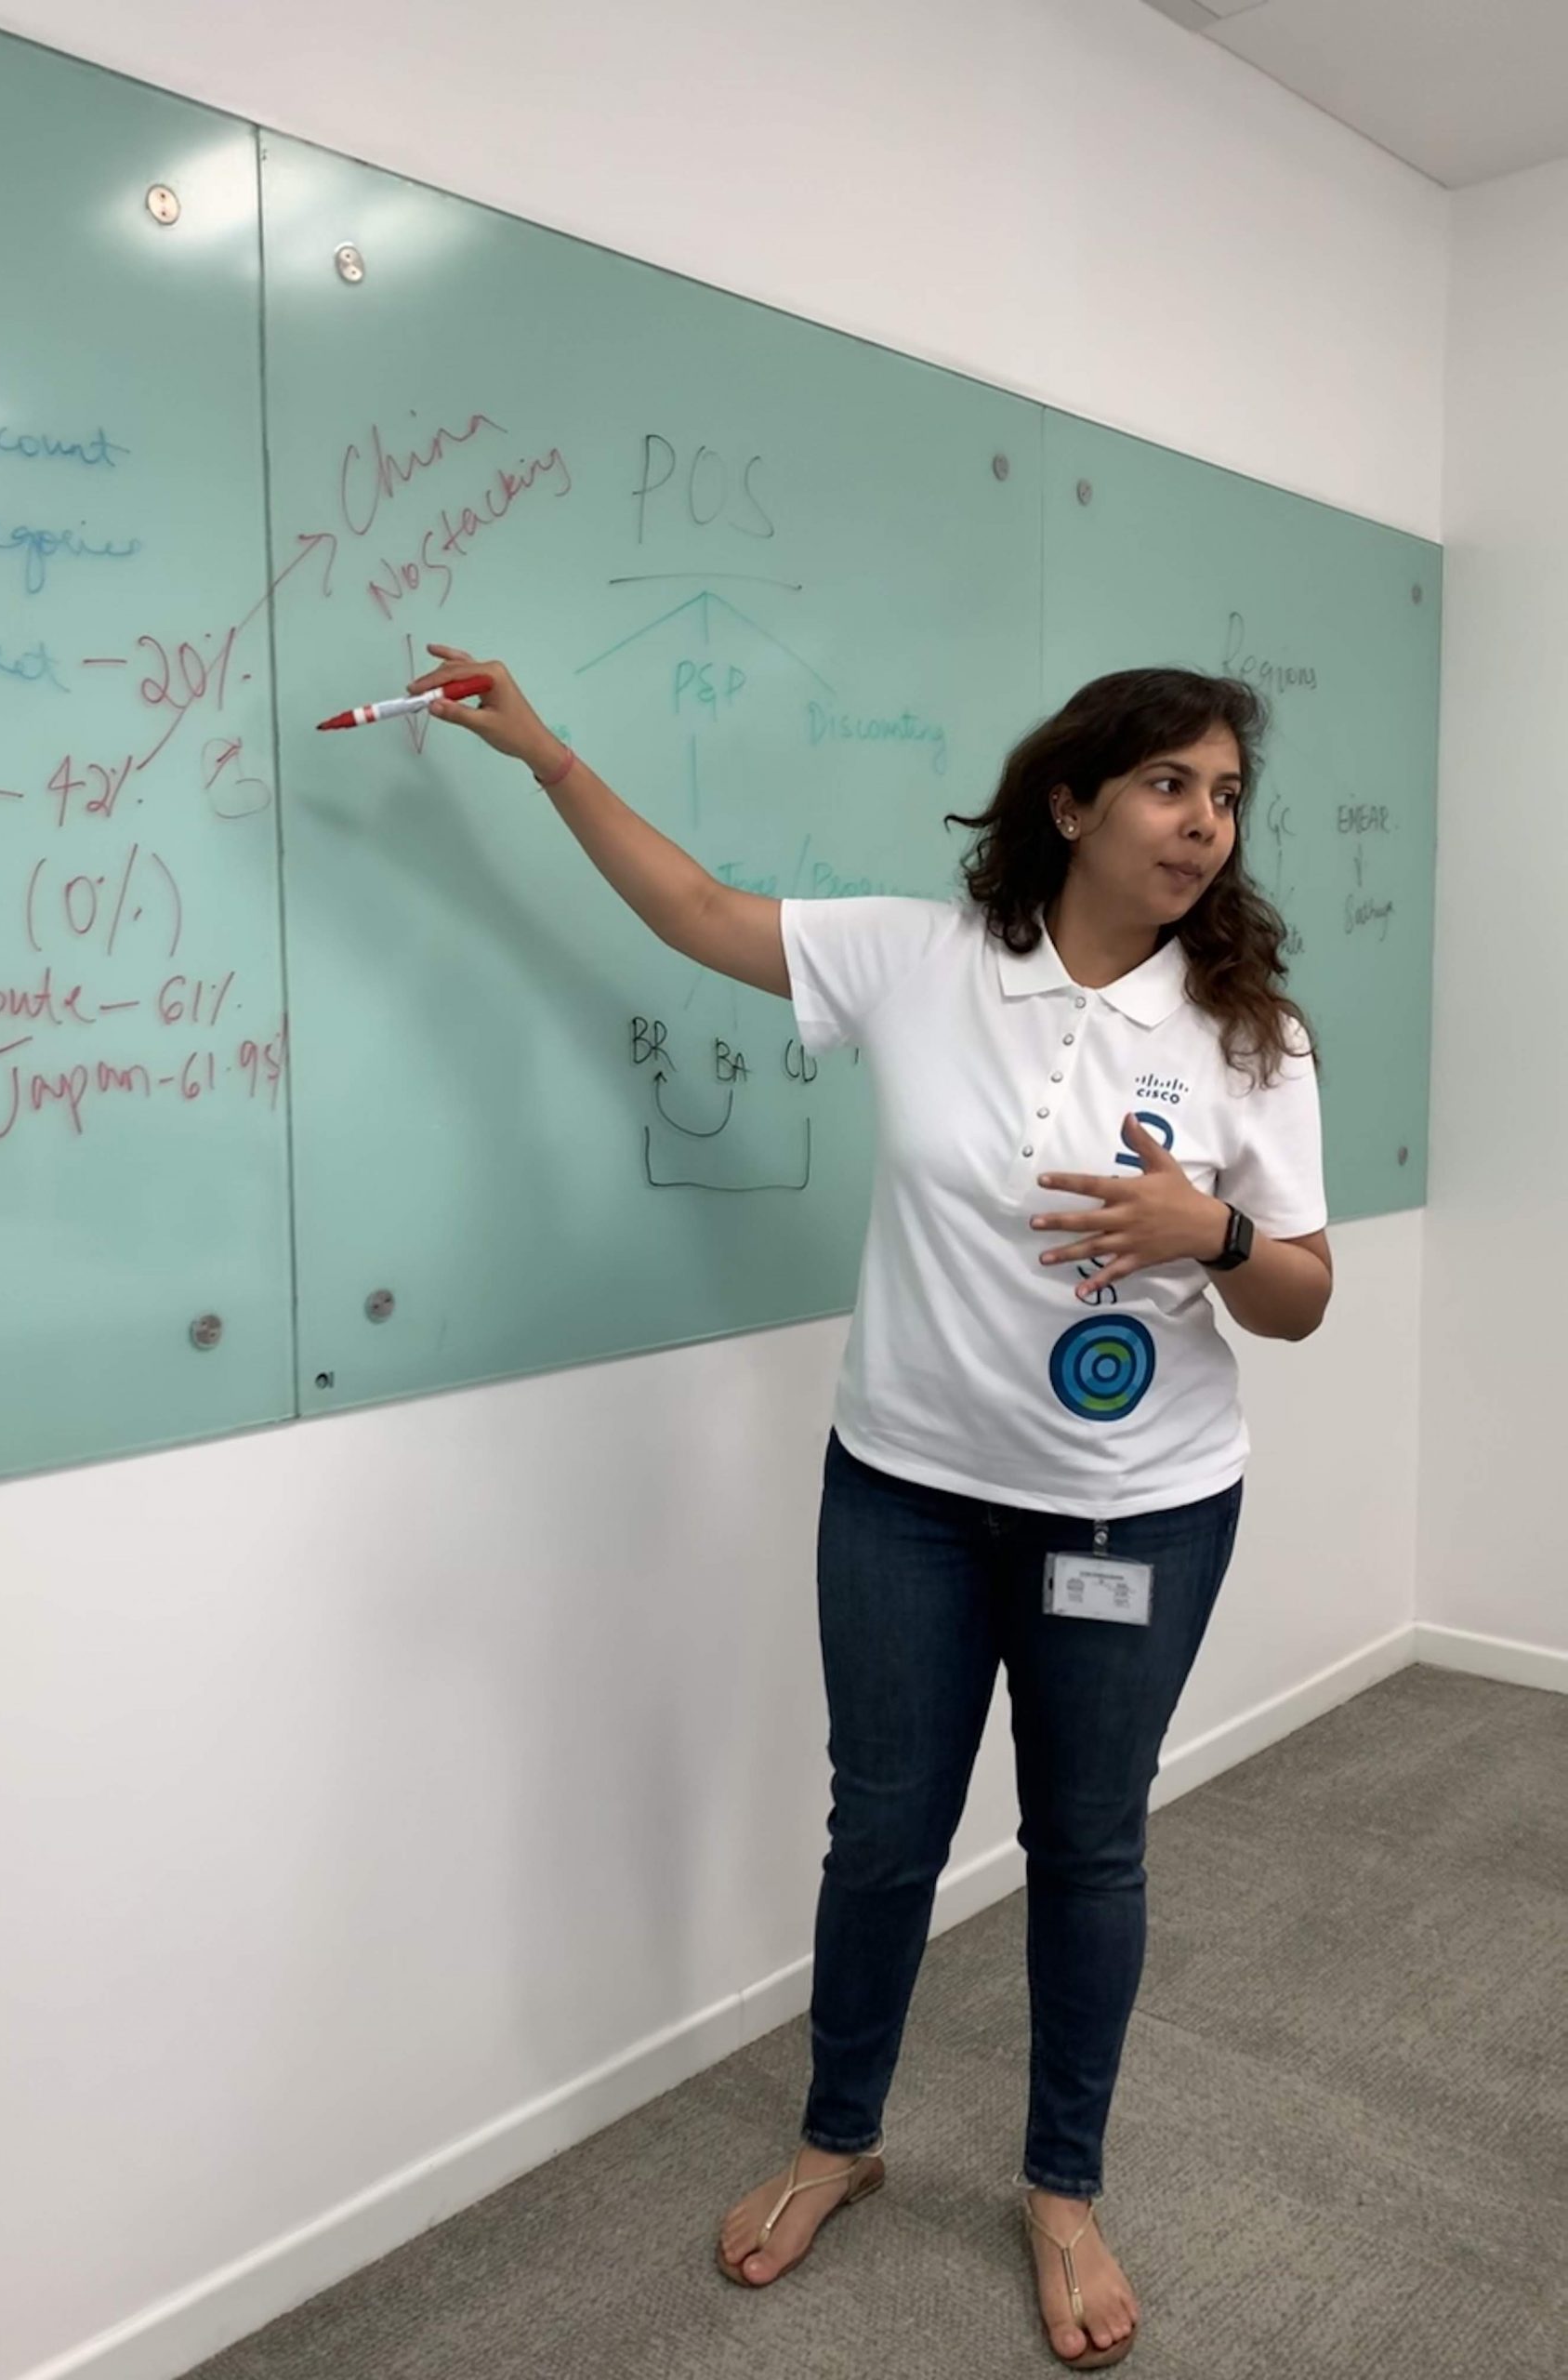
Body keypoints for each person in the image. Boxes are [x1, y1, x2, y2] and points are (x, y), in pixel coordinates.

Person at [405, 645, 1332, 2371]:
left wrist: (1204, 1233)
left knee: (1090, 1846)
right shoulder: (922, 960)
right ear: (1072, 800)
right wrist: (545, 756)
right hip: (905, 1492)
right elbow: (696, 910)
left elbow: (1303, 1300)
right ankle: (840, 2138)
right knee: (884, 1834)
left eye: (1225, 796)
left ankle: (1063, 2188)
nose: (1205, 822)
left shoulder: (1247, 1037)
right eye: (1169, 784)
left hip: (1131, 1512)